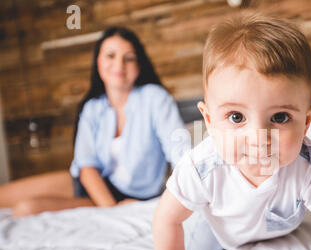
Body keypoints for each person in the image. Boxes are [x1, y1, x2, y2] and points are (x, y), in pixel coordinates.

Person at [153, 14, 311, 250]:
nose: (258, 137)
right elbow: (167, 219)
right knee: (196, 249)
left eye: (279, 117)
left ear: (306, 121)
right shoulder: (202, 167)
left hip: (280, 231)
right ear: (209, 119)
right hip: (217, 232)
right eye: (236, 117)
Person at [0, 27, 190, 218]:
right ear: (99, 62)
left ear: (139, 65)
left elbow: (180, 152)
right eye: (110, 56)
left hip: (128, 196)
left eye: (129, 57)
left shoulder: (155, 98)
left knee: (26, 209)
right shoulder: (92, 107)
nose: (119, 64)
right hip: (90, 186)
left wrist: (182, 197)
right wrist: (112, 208)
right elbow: (86, 166)